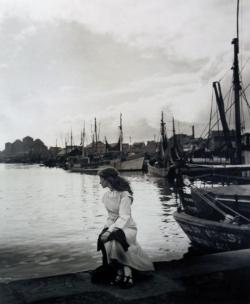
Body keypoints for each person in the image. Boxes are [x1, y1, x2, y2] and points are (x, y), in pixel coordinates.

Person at [97, 167, 154, 288]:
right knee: (104, 240)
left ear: (108, 179)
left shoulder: (125, 195)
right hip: (114, 225)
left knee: (116, 240)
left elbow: (124, 217)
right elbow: (111, 217)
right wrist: (106, 229)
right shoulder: (106, 196)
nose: (99, 182)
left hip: (127, 227)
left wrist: (110, 231)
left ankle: (127, 274)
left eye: (101, 179)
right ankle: (119, 271)